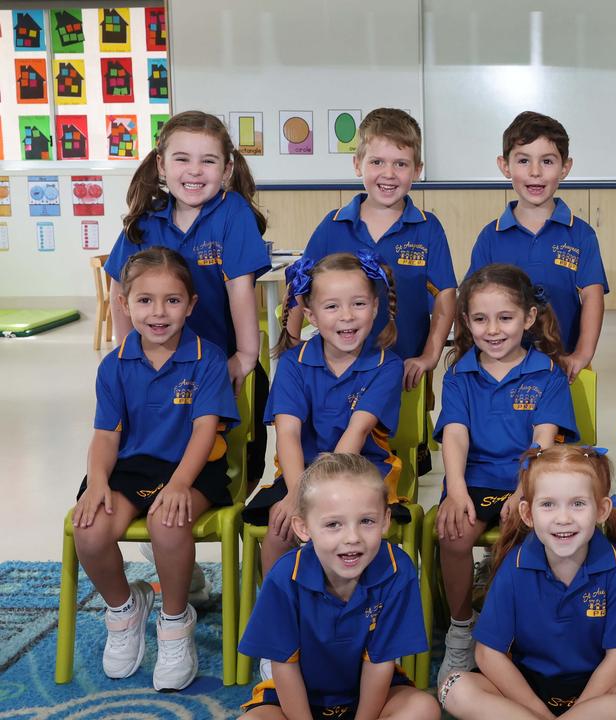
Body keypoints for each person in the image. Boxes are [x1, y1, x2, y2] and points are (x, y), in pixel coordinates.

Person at [105, 109, 271, 599]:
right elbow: (120, 285)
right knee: (151, 465)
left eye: (207, 161)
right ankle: (180, 571)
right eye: (182, 159)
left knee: (225, 475)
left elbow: (240, 289)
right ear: (161, 165)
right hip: (154, 376)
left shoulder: (233, 213)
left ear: (225, 168)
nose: (194, 171)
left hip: (218, 374)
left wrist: (245, 355)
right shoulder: (145, 221)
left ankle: (254, 588)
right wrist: (122, 353)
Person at [72, 247, 239, 691]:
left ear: (191, 305)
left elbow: (205, 432)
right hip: (131, 468)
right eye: (145, 300)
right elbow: (106, 435)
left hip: (193, 465)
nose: (159, 312)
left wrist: (181, 483)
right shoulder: (114, 365)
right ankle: (125, 609)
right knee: (88, 530)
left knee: (168, 524)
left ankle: (174, 622)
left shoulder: (207, 359)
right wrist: (98, 483)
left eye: (172, 300)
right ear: (124, 304)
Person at [439, 446, 616, 720]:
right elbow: (488, 655)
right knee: (453, 687)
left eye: (578, 503)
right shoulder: (515, 566)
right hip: (525, 691)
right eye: (548, 504)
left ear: (602, 510)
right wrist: (540, 713)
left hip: (595, 693)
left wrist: (579, 711)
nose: (563, 518)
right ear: (528, 514)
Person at [434, 263, 580, 687]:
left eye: (505, 318)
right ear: (466, 322)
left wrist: (523, 492)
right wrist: (456, 490)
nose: (492, 330)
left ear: (529, 318)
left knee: (534, 533)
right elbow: (456, 436)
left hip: (532, 480)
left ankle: (526, 632)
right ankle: (462, 628)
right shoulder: (459, 373)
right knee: (454, 534)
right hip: (475, 478)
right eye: (480, 319)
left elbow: (543, 440)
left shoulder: (548, 373)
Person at [246, 252, 405, 615]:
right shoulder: (292, 364)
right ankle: (281, 623)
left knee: (347, 532)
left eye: (359, 304)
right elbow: (287, 435)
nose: (347, 316)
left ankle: (356, 618)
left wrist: (311, 499)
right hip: (298, 474)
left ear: (375, 306)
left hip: (362, 473)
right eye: (332, 306)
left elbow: (355, 435)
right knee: (278, 532)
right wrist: (298, 493)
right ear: (312, 315)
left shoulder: (387, 366)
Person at [239, 453, 438, 720]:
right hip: (297, 699)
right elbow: (284, 666)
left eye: (366, 521)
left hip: (370, 698)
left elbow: (379, 663)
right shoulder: (284, 576)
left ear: (385, 520)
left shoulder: (397, 570)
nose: (352, 538)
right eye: (333, 524)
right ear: (303, 527)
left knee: (424, 709)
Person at [293, 107, 457, 395]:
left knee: (403, 436)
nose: (389, 174)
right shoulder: (333, 226)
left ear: (417, 170)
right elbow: (300, 286)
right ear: (358, 164)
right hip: (337, 373)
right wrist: (292, 350)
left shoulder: (428, 228)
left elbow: (445, 295)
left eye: (401, 164)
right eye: (377, 162)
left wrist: (430, 356)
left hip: (405, 373)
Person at [469, 111, 607, 382]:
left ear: (565, 167)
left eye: (547, 161)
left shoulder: (581, 235)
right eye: (523, 160)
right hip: (501, 368)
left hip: (562, 368)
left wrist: (582, 355)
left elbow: (592, 297)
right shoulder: (490, 237)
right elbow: (473, 302)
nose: (535, 172)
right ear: (504, 165)